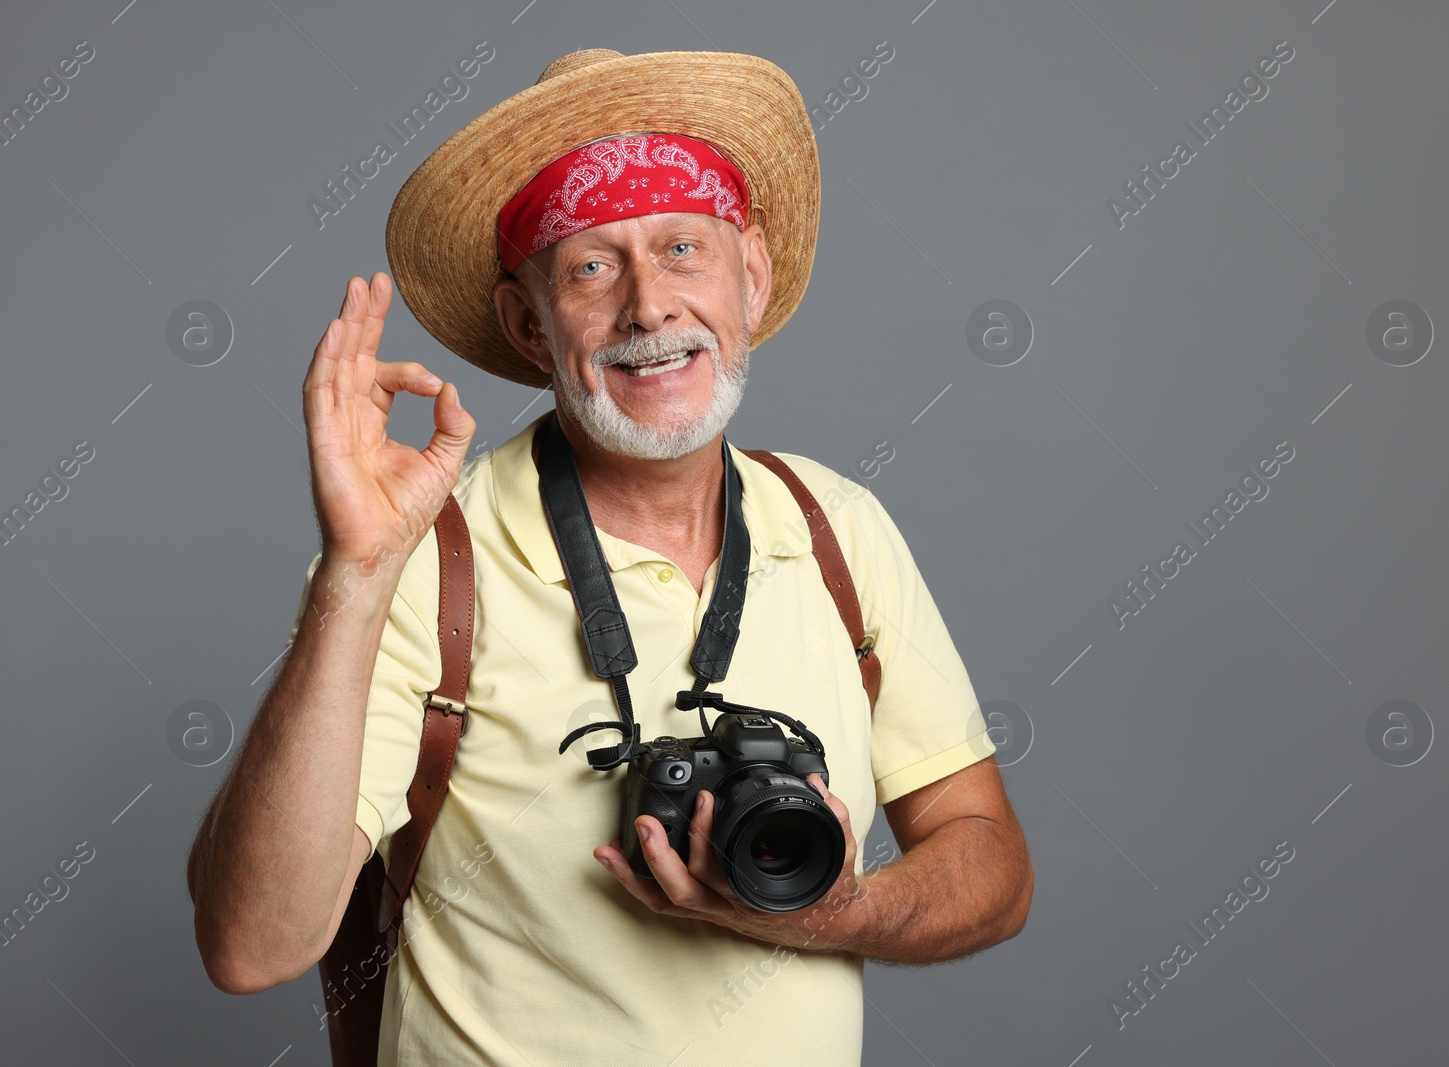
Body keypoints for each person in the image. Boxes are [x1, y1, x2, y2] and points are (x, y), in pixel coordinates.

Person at [186, 47, 1031, 1065]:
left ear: (750, 276)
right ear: (527, 324)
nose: (648, 307)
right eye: (590, 266)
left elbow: (992, 867)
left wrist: (822, 911)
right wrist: (356, 573)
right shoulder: (424, 555)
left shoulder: (837, 526)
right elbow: (248, 945)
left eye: (683, 248)